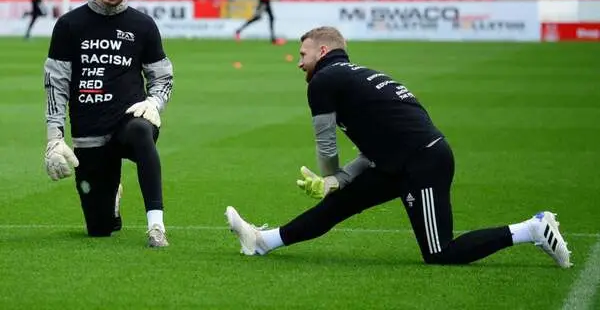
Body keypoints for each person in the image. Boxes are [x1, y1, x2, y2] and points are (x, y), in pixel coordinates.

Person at [225, 26, 572, 268]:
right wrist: (340, 182)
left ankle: (532, 229)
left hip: (423, 163)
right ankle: (262, 242)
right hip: (402, 159)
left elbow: (325, 142)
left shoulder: (325, 81)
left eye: (302, 54)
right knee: (339, 205)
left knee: (440, 252)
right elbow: (375, 150)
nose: (299, 62)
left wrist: (330, 175)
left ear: (323, 51)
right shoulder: (361, 77)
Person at [43, 0, 174, 247]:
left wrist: (154, 104)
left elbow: (163, 77)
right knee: (100, 229)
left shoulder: (143, 26)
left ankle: (156, 226)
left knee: (141, 131)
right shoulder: (69, 25)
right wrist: (54, 136)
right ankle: (111, 196)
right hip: (89, 131)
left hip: (128, 120)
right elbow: (55, 84)